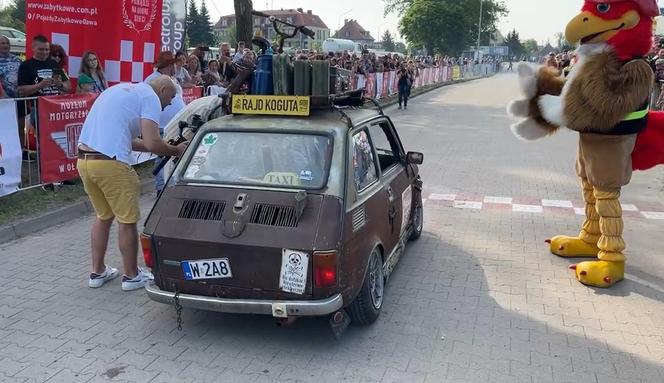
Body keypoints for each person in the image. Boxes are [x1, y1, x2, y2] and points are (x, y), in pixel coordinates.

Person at [77, 75, 187, 291]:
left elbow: (136, 141)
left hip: (85, 161)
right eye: (172, 97)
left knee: (103, 216)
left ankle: (97, 272)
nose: (171, 103)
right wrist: (175, 150)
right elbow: (153, 142)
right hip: (112, 165)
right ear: (163, 89)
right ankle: (131, 275)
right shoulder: (151, 97)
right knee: (127, 221)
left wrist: (162, 145)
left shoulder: (121, 90)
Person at [145, 51, 186, 194]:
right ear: (170, 65)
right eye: (174, 63)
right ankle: (161, 187)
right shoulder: (153, 80)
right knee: (162, 155)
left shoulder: (172, 80)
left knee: (170, 155)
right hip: (162, 124)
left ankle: (171, 183)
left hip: (176, 123)